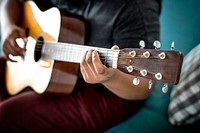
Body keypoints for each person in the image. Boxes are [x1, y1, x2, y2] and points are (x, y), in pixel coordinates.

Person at [0, 0, 161, 132]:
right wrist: (8, 27)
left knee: (6, 116)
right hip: (53, 66)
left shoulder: (136, 7)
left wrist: (109, 76)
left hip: (110, 91)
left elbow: (142, 85)